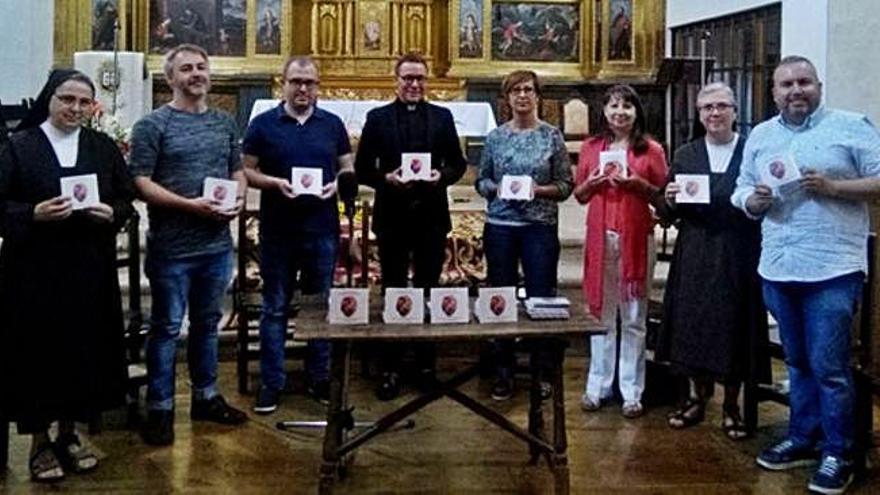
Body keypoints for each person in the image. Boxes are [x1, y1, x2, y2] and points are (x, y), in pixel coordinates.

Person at [731, 55, 880, 495]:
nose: (796, 90)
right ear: (773, 92)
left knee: (829, 367)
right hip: (779, 265)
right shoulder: (761, 135)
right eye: (786, 84)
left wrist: (835, 188)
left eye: (804, 82)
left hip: (832, 266)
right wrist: (752, 201)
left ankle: (839, 452)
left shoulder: (852, 125)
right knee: (797, 363)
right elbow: (741, 187)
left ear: (819, 85)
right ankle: (802, 436)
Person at [0, 70, 134, 481]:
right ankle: (40, 441)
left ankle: (71, 433)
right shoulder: (17, 146)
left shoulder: (102, 145)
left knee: (84, 350)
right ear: (50, 99)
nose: (75, 108)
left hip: (88, 269)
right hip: (34, 271)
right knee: (38, 353)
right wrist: (31, 214)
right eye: (67, 99)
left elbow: (125, 196)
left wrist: (114, 212)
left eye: (83, 102)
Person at [130, 44, 248, 446]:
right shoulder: (152, 125)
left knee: (207, 325)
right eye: (186, 69)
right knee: (165, 328)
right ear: (171, 78)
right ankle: (161, 407)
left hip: (215, 245)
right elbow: (141, 183)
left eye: (201, 66)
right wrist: (190, 206)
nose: (196, 74)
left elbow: (237, 169)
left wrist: (238, 198)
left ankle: (206, 396)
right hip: (172, 248)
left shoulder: (224, 121)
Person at [242, 56, 356, 414]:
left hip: (322, 228)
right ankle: (272, 382)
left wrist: (335, 185)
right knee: (275, 307)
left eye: (309, 82)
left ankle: (319, 377)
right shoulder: (262, 124)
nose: (303, 88)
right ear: (284, 83)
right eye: (296, 81)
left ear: (317, 85)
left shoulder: (332, 124)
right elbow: (247, 171)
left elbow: (347, 167)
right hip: (279, 230)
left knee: (319, 307)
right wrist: (274, 183)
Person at [654, 82, 767, 439]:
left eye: (721, 106)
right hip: (696, 249)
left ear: (735, 111)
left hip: (738, 250)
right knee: (693, 322)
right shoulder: (686, 154)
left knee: (734, 324)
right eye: (707, 108)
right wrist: (667, 198)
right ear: (700, 115)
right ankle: (696, 398)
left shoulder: (752, 151)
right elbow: (668, 214)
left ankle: (732, 404)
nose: (714, 114)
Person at [354, 51, 467, 401]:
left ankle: (425, 367)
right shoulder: (377, 118)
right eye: (408, 78)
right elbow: (362, 168)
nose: (414, 84)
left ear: (426, 81)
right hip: (393, 216)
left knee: (429, 290)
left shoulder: (443, 117)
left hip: (431, 217)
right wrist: (386, 178)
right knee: (393, 290)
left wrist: (440, 176)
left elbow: (458, 165)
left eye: (420, 78)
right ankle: (390, 367)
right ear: (396, 80)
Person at [475, 70, 573, 401]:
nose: (522, 95)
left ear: (537, 96)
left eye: (528, 89)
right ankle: (502, 370)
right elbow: (481, 181)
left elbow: (565, 186)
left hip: (539, 228)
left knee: (541, 298)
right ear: (507, 98)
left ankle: (541, 371)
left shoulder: (552, 137)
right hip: (501, 226)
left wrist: (537, 190)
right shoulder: (496, 137)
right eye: (515, 90)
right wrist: (499, 188)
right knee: (500, 297)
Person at [573, 84, 667, 419]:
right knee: (602, 315)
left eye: (627, 106)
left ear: (636, 112)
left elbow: (662, 197)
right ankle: (597, 387)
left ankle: (632, 390)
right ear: (604, 111)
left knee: (633, 317)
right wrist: (595, 182)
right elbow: (580, 195)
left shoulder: (651, 149)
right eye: (613, 106)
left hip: (636, 238)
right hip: (601, 238)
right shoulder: (591, 147)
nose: (620, 112)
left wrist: (636, 184)